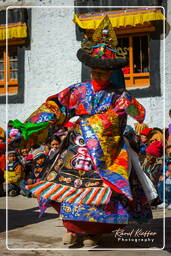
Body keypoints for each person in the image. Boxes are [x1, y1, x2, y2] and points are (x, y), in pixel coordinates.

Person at [9, 16, 157, 247]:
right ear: (89, 69)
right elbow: (57, 107)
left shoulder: (119, 96)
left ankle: (92, 231)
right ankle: (72, 228)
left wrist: (108, 118)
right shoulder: (78, 90)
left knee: (103, 189)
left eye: (104, 72)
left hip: (105, 150)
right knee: (63, 184)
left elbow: (134, 115)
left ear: (112, 72)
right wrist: (35, 125)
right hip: (77, 146)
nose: (98, 74)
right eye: (95, 70)